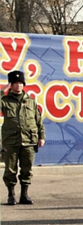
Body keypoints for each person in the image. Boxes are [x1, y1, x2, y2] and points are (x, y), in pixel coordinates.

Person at [1, 70, 45, 205]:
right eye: (15, 83)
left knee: (26, 170)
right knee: (10, 170)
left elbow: (38, 121)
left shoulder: (30, 102)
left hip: (29, 141)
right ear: (11, 85)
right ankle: (11, 195)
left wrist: (41, 136)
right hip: (11, 142)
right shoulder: (5, 101)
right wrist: (2, 91)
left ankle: (24, 195)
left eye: (20, 83)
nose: (18, 86)